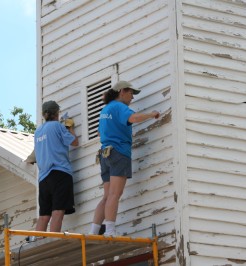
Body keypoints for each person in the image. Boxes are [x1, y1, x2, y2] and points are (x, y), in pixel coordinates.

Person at [89, 81, 160, 236]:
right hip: (118, 153)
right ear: (122, 91)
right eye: (131, 93)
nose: (132, 98)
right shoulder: (120, 107)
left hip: (104, 154)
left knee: (107, 195)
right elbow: (133, 118)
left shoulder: (105, 110)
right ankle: (110, 231)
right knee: (115, 194)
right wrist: (151, 114)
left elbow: (99, 133)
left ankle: (94, 232)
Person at [34, 100, 78, 232]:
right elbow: (74, 142)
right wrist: (70, 127)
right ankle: (53, 240)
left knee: (43, 216)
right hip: (59, 173)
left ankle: (38, 246)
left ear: (43, 115)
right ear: (56, 113)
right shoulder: (57, 126)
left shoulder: (38, 132)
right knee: (58, 212)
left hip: (43, 178)